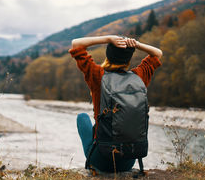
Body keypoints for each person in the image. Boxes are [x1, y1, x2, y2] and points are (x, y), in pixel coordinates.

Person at [69, 35, 162, 172]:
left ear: (108, 55)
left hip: (101, 160)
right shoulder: (138, 77)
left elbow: (76, 43)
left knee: (82, 117)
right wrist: (136, 44)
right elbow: (157, 53)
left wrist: (108, 38)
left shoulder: (98, 76)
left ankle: (93, 162)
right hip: (128, 161)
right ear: (129, 58)